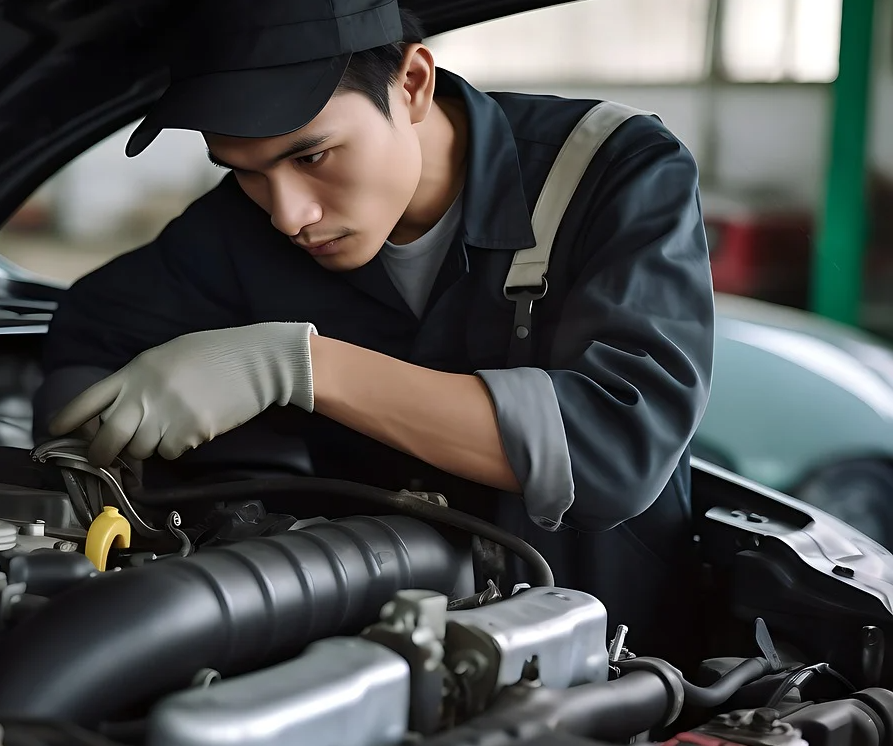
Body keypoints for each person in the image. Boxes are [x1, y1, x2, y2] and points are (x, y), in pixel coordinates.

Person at [37, 0, 715, 662]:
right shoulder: (238, 230)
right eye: (245, 171)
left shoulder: (608, 173)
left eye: (313, 156)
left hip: (614, 666)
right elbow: (93, 337)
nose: (288, 215)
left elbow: (613, 449)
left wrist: (297, 367)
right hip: (367, 656)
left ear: (412, 83)